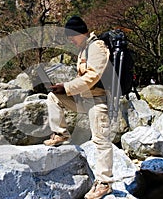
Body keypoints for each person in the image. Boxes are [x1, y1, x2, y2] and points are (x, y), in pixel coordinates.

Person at [43, 16, 114, 198]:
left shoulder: (96, 47)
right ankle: (60, 133)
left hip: (98, 101)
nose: (70, 40)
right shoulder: (84, 50)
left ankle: (104, 183)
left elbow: (92, 77)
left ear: (81, 32)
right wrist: (64, 89)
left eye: (71, 36)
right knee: (54, 97)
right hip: (84, 99)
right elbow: (82, 78)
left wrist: (67, 87)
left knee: (101, 141)